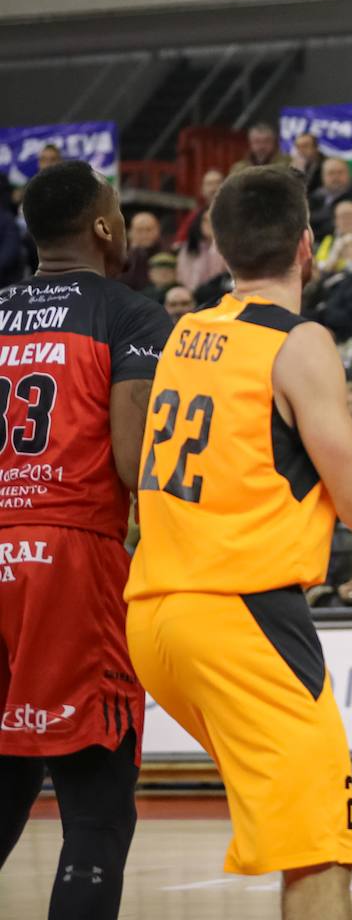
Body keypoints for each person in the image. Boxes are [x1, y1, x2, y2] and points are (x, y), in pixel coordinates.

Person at [125, 167, 352, 918]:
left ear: (217, 246)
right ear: (308, 246)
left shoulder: (187, 332)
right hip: (242, 618)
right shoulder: (300, 342)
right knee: (322, 850)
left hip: (155, 616)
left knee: (304, 831)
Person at [0, 162, 172, 920]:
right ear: (104, 229)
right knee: (97, 809)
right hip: (71, 557)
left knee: (7, 781)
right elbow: (135, 461)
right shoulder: (130, 315)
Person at [119, 209, 162, 292]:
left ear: (158, 231)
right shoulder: (121, 258)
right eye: (139, 230)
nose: (144, 235)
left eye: (148, 230)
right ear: (130, 233)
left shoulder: (165, 254)